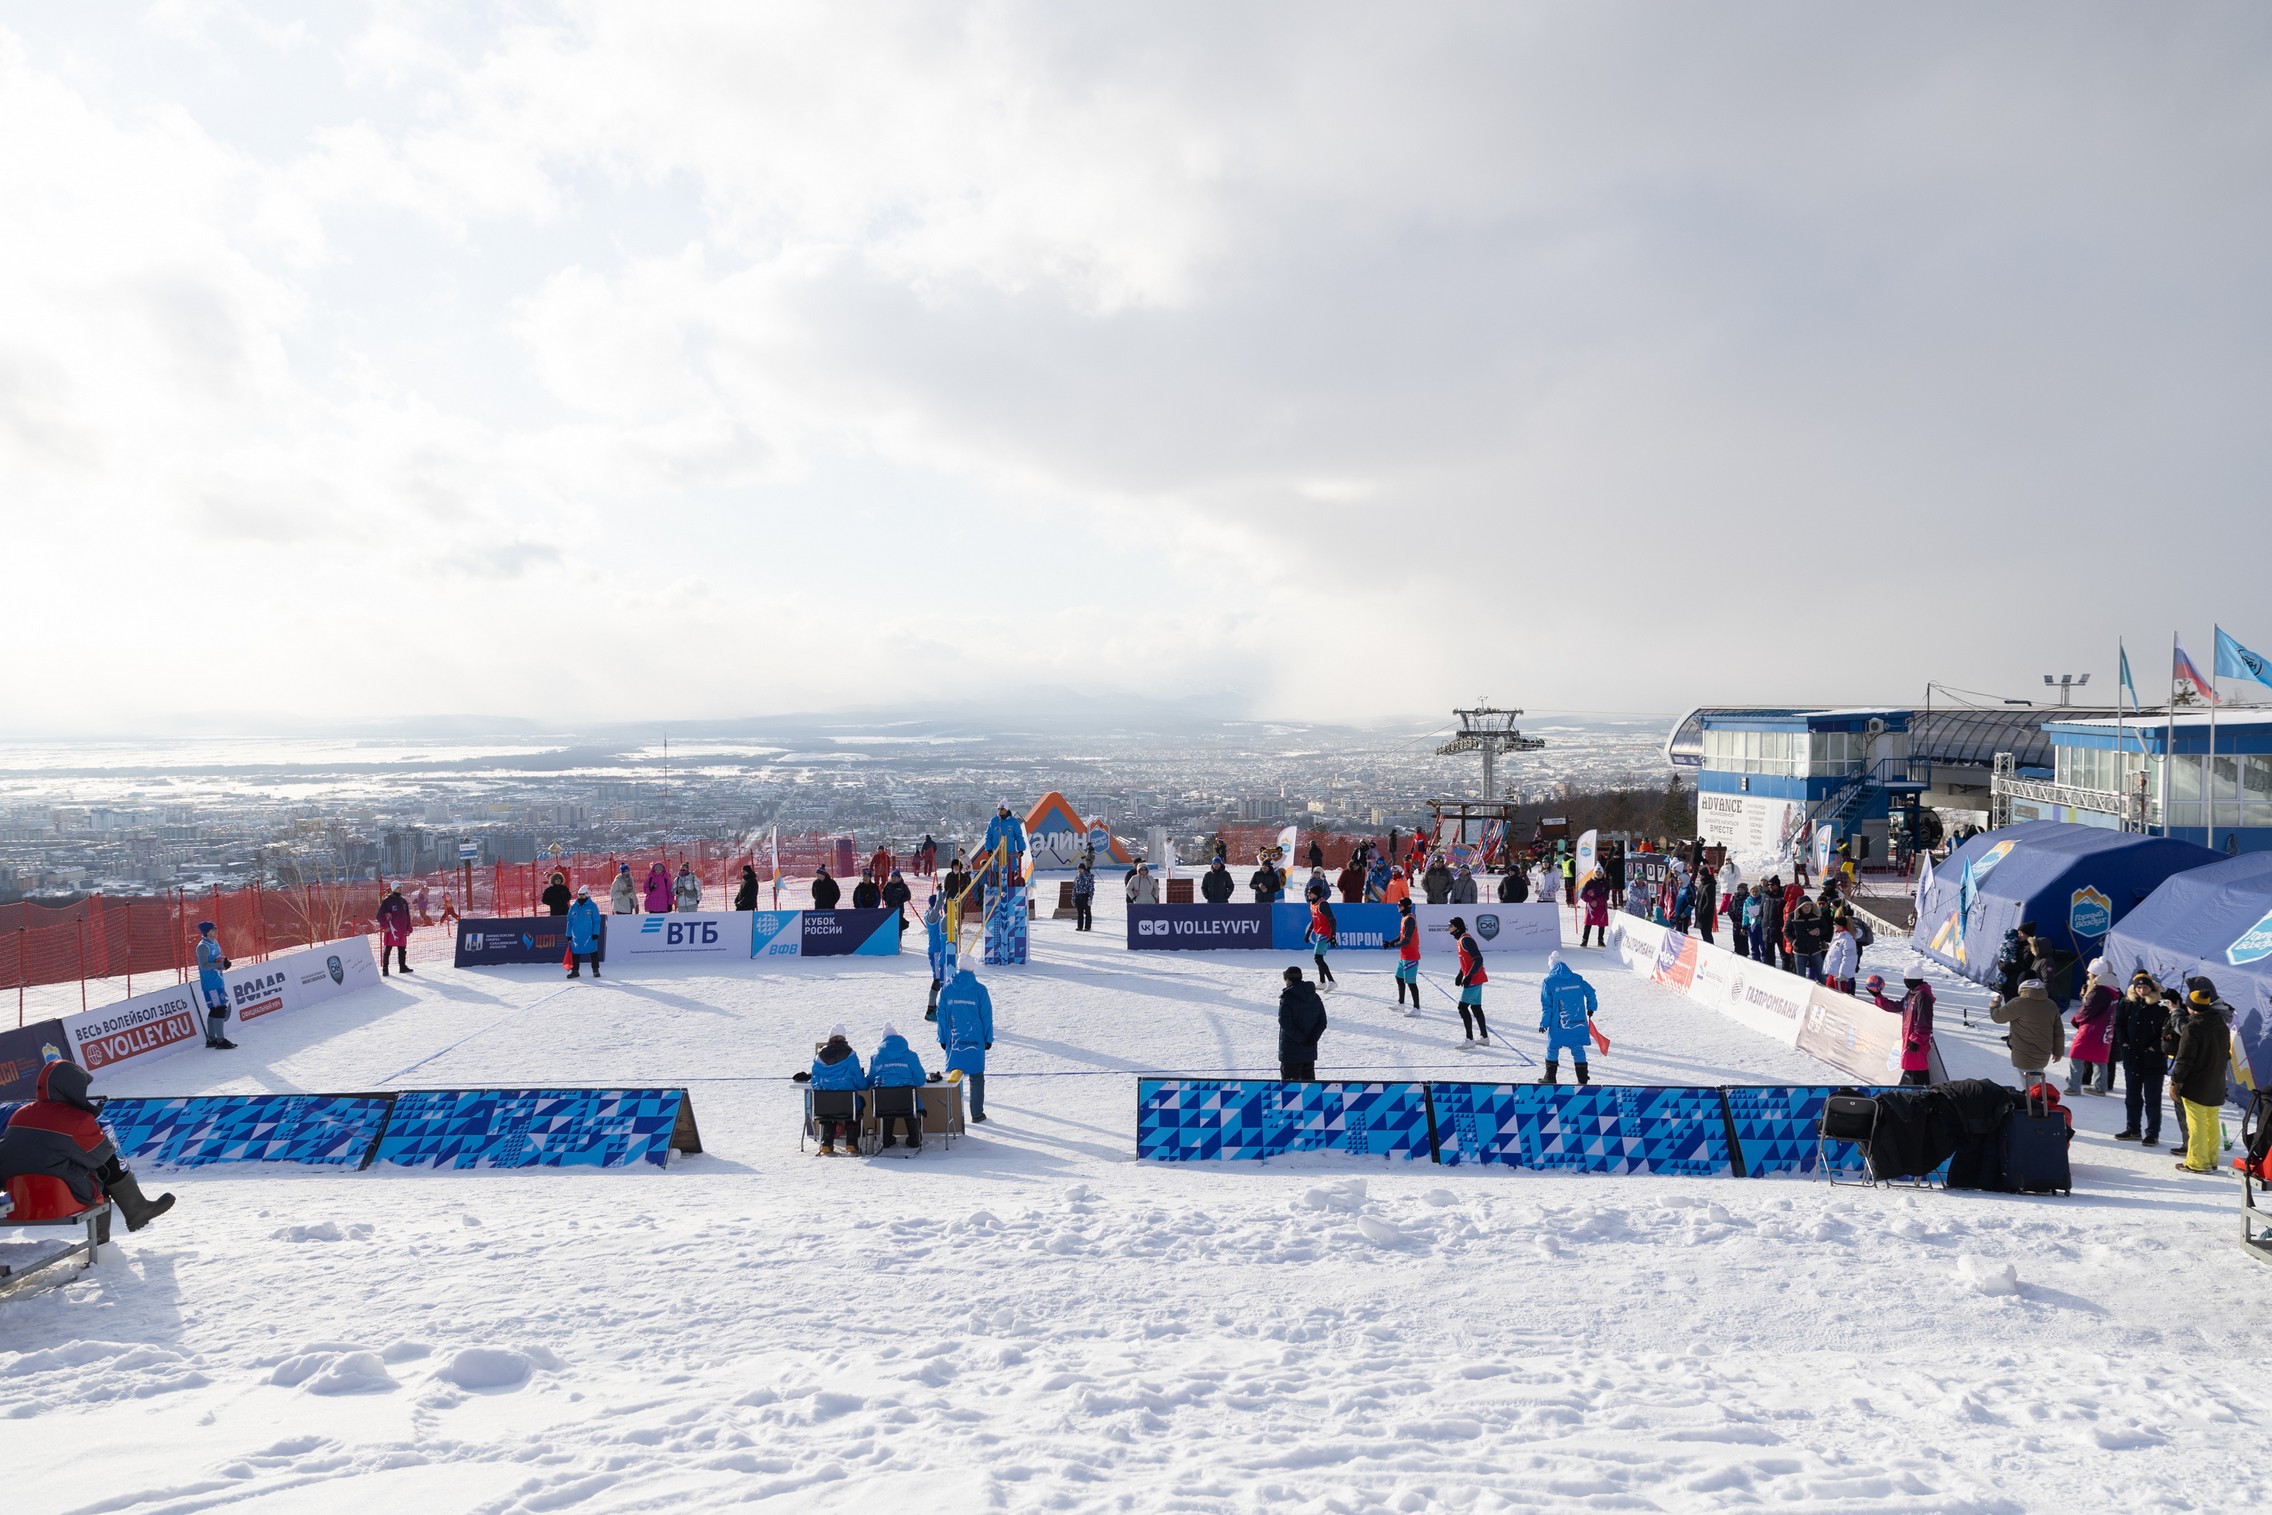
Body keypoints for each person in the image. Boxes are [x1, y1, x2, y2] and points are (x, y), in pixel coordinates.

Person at [0, 1059, 175, 1231]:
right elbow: (102, 1155)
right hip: (56, 1199)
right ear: (72, 1088)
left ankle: (131, 1215)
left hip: (17, 1197)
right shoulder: (77, 1119)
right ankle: (132, 1214)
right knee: (102, 1168)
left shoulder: (20, 1114)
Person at [2169, 978, 2232, 1174]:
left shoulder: (2193, 1027)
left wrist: (2175, 1082)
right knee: (2211, 1122)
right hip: (2216, 1084)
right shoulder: (2221, 1025)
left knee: (2195, 1124)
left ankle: (2197, 1162)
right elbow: (2226, 1054)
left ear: (2191, 1008)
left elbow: (2184, 1059)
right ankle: (2212, 1160)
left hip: (2197, 1084)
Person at [2112, 971, 2170, 1144]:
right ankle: (2133, 1128)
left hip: (2154, 1061)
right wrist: (2123, 1042)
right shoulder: (2127, 1002)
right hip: (2132, 1058)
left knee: (2153, 1099)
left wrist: (2155, 1047)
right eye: (2138, 987)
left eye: (2145, 987)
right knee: (2132, 1097)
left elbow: (2167, 1031)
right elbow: (2119, 1023)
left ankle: (2152, 1133)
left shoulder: (2161, 1005)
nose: (2141, 990)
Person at [936, 967, 995, 1124]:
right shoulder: (980, 990)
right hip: (975, 1040)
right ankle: (977, 1114)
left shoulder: (947, 989)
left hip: (954, 1041)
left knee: (954, 1078)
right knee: (976, 1077)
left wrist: (942, 1038)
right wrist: (988, 1038)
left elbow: (941, 1015)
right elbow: (986, 1015)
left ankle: (953, 1116)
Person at [796, 1025, 866, 1155]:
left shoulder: (818, 1057)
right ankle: (851, 1143)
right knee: (858, 1105)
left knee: (828, 1111)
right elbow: (859, 1081)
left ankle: (826, 1144)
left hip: (824, 1105)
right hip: (847, 1104)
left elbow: (815, 1083)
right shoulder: (851, 1055)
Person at [1991, 978, 2065, 1088]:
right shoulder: (2051, 1004)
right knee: (2035, 1084)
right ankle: (2036, 1101)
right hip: (2043, 1054)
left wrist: (1995, 1004)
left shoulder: (2018, 1002)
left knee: (2031, 1089)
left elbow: (1998, 1017)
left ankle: (2034, 1103)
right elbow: (2058, 1031)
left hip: (2024, 1054)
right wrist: (2058, 1051)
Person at [1868, 965, 1935, 1085]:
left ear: (1910, 979)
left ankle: (1924, 1096)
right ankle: (1915, 1095)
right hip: (1910, 1038)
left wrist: (1916, 1039)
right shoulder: (1912, 993)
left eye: (1905, 978)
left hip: (1917, 1041)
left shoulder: (1922, 996)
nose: (1904, 980)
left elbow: (1924, 1022)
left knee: (1918, 1069)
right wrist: (1878, 996)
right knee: (1911, 1069)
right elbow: (1897, 1006)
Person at [1537, 952, 1598, 1085]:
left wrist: (1544, 1023)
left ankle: (1550, 1077)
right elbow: (1591, 992)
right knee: (1578, 1048)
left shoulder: (1548, 982)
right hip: (1578, 1023)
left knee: (1552, 1048)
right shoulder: (1577, 979)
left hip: (1559, 1025)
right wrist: (1591, 1007)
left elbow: (1547, 1006)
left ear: (1551, 966)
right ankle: (1582, 1079)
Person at [868, 1022, 930, 1152]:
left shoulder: (876, 1058)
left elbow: (871, 1080)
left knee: (887, 1103)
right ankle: (914, 1140)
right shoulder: (910, 1056)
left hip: (884, 1105)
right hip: (908, 1102)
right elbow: (920, 1081)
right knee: (911, 1103)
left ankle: (886, 1140)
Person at [2066, 958, 2118, 1096]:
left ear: (2096, 975)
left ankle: (2073, 1086)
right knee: (2099, 1058)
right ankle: (2100, 1087)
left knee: (2075, 1056)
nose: (2088, 976)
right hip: (2105, 1028)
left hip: (2091, 1029)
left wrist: (2075, 1020)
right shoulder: (2113, 990)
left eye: (2090, 974)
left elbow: (2087, 1010)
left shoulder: (2098, 991)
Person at [1278, 965, 1328, 1080]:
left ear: (1288, 980)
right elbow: (1322, 1022)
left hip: (1291, 1053)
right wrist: (1312, 1039)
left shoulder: (1287, 997)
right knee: (1309, 1091)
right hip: (1309, 1053)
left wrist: (1302, 1039)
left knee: (1289, 1091)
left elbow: (1285, 1023)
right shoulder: (1314, 997)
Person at [1448, 916, 1490, 1046]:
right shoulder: (1461, 940)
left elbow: (1478, 959)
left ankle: (1470, 1039)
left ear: (1457, 927)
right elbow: (1467, 960)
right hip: (1475, 977)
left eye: (1451, 925)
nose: (1448, 928)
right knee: (1476, 1007)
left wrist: (1469, 976)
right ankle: (1484, 1037)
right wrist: (1461, 974)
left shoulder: (1466, 940)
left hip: (1475, 978)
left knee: (1462, 1007)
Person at [194, 920, 235, 1048]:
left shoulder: (214, 943)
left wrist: (224, 961)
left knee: (215, 1010)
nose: (216, 930)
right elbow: (204, 965)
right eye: (213, 929)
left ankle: (211, 1039)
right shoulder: (202, 946)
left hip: (218, 980)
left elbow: (217, 958)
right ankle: (220, 1040)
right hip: (210, 983)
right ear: (207, 932)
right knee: (220, 1009)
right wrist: (220, 964)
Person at [1383, 898, 1422, 1013]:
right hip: (1404, 955)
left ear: (1406, 906)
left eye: (1399, 905)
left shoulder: (1410, 919)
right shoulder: (1404, 918)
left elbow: (1406, 940)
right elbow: (1402, 937)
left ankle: (1416, 1008)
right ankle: (1401, 1003)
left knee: (1411, 982)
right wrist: (1390, 943)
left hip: (1410, 955)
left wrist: (1393, 944)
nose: (1397, 907)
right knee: (1399, 977)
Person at [923, 892, 954, 1018]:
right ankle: (931, 1010)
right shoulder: (932, 915)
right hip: (935, 952)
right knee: (937, 981)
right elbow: (937, 907)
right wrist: (942, 895)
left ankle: (933, 1008)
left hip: (937, 951)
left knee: (939, 980)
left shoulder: (935, 915)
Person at [982, 802, 1027, 881]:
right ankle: (997, 892)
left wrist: (1021, 849)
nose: (1000, 811)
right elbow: (988, 835)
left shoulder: (1013, 822)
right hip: (997, 856)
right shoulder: (994, 821)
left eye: (1002, 809)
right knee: (997, 879)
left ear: (1006, 809)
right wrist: (988, 849)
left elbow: (1019, 836)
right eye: (998, 809)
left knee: (1010, 879)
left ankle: (1010, 891)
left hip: (1010, 855)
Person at [566, 885, 603, 978]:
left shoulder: (592, 906)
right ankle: (575, 971)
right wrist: (568, 934)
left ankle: (595, 970)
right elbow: (569, 921)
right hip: (576, 935)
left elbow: (597, 921)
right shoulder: (574, 907)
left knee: (593, 952)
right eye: (579, 895)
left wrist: (595, 933)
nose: (581, 896)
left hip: (589, 934)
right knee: (575, 953)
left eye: (582, 895)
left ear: (586, 894)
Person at [1787, 900, 1828, 982]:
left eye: (1809, 907)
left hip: (1815, 950)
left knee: (1822, 976)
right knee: (1800, 978)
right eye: (1805, 907)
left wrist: (1817, 931)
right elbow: (1786, 931)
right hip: (1800, 951)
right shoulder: (1793, 916)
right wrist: (1793, 941)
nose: (1807, 909)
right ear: (1800, 907)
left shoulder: (1817, 915)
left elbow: (1825, 928)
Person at [377, 884, 414, 975]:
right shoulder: (387, 901)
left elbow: (407, 916)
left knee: (402, 949)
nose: (400, 890)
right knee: (388, 949)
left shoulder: (403, 901)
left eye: (401, 888)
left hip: (402, 930)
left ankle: (402, 967)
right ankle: (385, 969)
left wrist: (408, 928)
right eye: (398, 888)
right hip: (391, 930)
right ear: (393, 889)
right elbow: (379, 915)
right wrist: (385, 926)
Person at [1306, 897, 1338, 990]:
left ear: (1315, 893)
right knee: (1320, 957)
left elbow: (1333, 920)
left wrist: (1333, 936)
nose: (1308, 893)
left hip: (1324, 933)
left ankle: (1331, 981)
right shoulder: (1312, 904)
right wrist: (1308, 933)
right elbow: (1313, 919)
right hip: (1318, 933)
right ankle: (1322, 982)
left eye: (1310, 892)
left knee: (1317, 958)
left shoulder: (1323, 904)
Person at [1822, 915, 1859, 994]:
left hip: (1839, 975)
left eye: (1834, 924)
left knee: (1839, 995)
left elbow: (1848, 957)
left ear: (1839, 925)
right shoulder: (1838, 936)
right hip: (1833, 971)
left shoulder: (1847, 939)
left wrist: (1842, 973)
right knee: (1828, 993)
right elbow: (1836, 951)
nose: (1833, 926)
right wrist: (1827, 946)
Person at [1577, 870, 1611, 948]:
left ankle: (1600, 940)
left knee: (1602, 923)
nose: (1598, 874)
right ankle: (1584, 940)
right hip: (1591, 907)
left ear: (1603, 873)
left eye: (1600, 872)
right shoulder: (1589, 882)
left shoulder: (1606, 883)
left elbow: (1606, 896)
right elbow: (1583, 894)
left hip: (1601, 906)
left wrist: (1597, 901)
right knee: (1588, 923)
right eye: (1596, 872)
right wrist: (1591, 901)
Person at [1691, 866, 1717, 947]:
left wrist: (1703, 911)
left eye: (1700, 874)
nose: (1699, 875)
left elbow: (1710, 901)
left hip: (1706, 914)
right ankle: (1707, 946)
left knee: (1706, 932)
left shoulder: (1709, 885)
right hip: (1700, 911)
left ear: (1704, 875)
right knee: (1703, 931)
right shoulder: (1702, 883)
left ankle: (1710, 947)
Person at [1727, 883, 1751, 959]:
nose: (1740, 891)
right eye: (1739, 889)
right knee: (1736, 938)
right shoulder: (1735, 897)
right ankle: (1737, 952)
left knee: (1743, 939)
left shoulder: (1748, 898)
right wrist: (1732, 916)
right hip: (1735, 922)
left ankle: (1744, 954)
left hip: (1744, 922)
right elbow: (1730, 908)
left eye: (1742, 889)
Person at [1071, 860, 1095, 931]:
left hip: (1085, 895)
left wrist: (1090, 898)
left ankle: (1087, 926)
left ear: (1083, 869)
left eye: (1081, 869)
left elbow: (1091, 888)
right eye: (1078, 869)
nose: (1079, 870)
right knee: (1080, 912)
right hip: (1078, 896)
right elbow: (1074, 888)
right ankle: (1080, 926)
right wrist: (1073, 898)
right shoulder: (1077, 877)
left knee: (1087, 912)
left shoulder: (1088, 876)